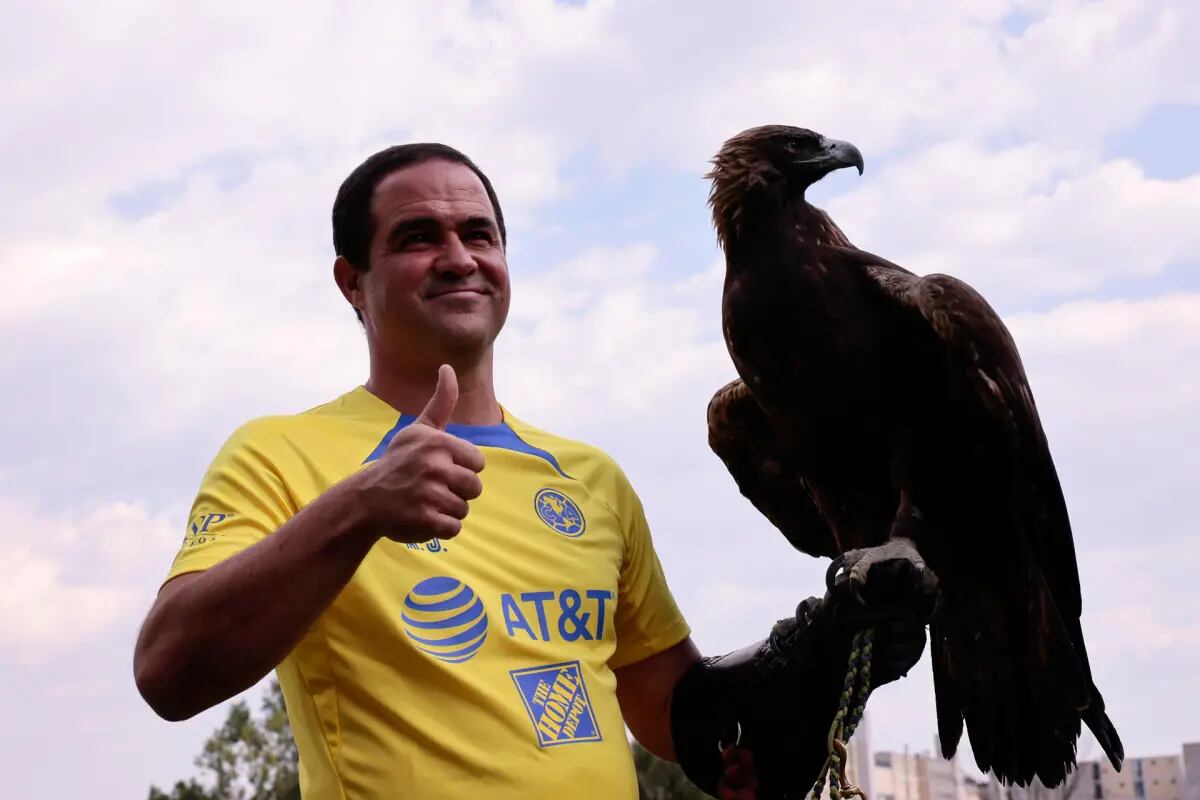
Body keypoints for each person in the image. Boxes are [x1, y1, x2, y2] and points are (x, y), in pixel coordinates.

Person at [133, 143, 934, 800]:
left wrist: (822, 657)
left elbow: (671, 713)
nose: (457, 257)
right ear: (353, 283)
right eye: (418, 237)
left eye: (479, 235)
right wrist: (359, 508)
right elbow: (169, 672)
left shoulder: (592, 478)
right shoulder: (282, 453)